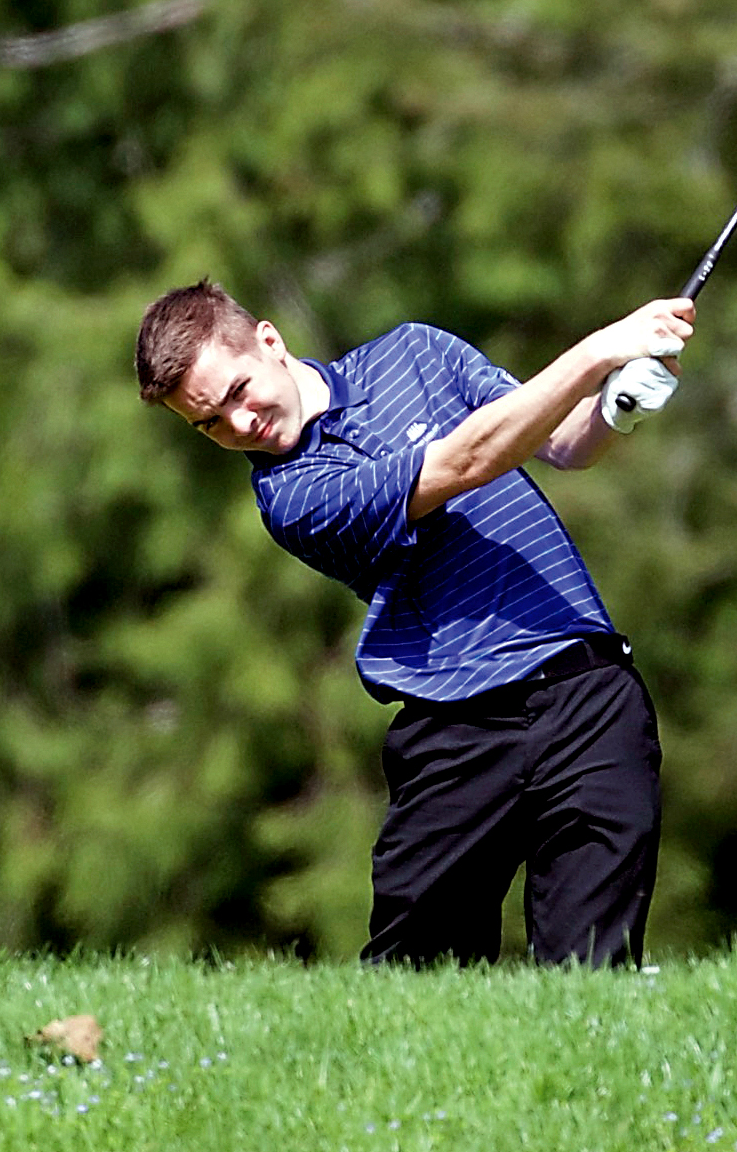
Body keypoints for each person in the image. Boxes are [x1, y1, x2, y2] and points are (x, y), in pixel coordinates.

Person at [135, 279, 695, 967]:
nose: (240, 424)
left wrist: (618, 404)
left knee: (590, 978)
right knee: (414, 980)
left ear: (271, 342)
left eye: (237, 392)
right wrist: (599, 350)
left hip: (589, 697)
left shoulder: (416, 352)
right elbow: (467, 460)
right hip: (456, 729)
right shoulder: (292, 497)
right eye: (210, 425)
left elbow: (564, 443)